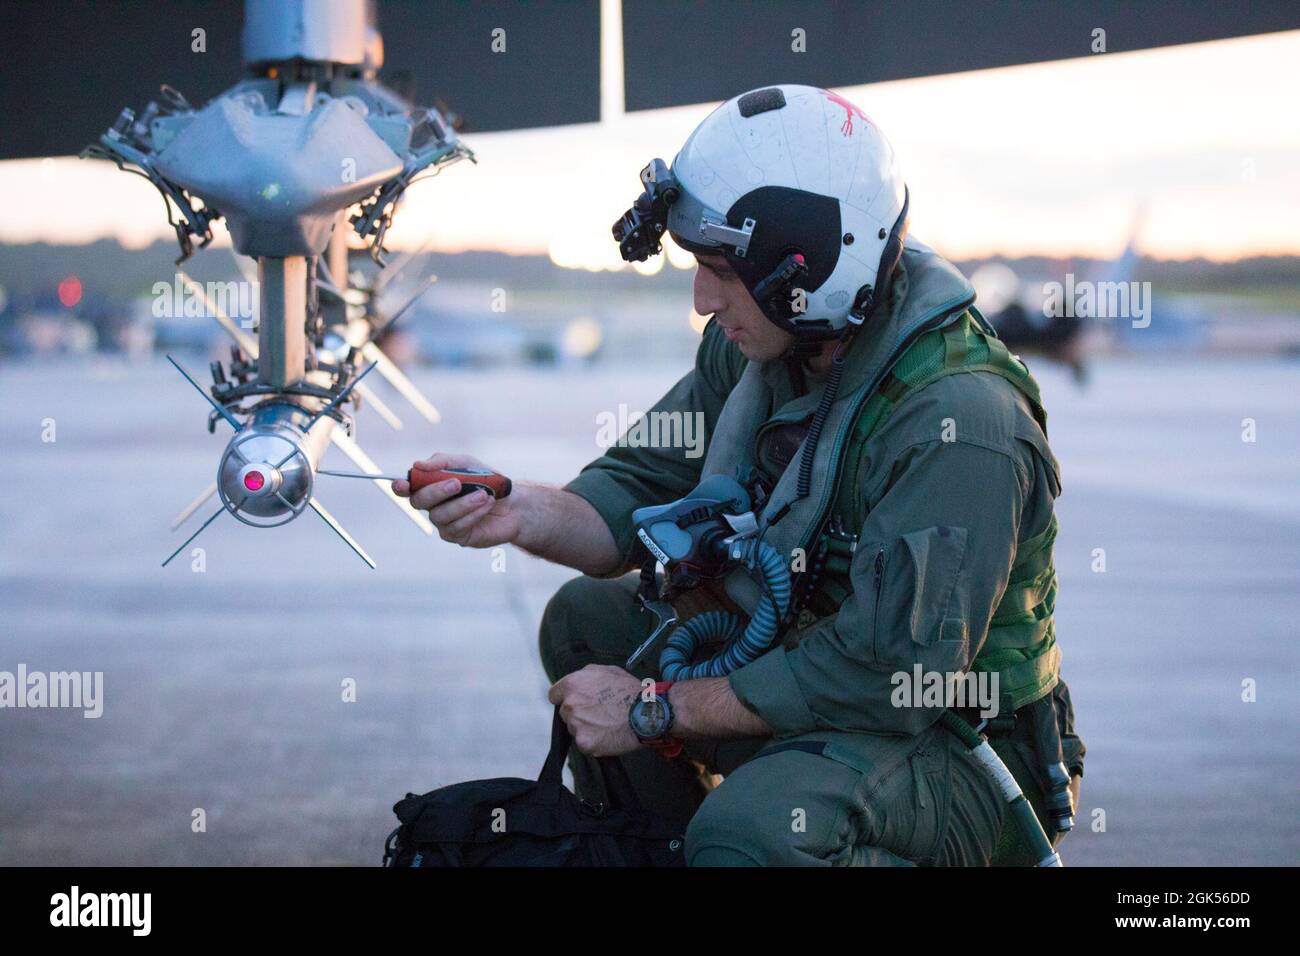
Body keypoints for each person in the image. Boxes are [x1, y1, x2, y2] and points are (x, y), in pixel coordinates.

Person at [395, 84, 1084, 866]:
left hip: (956, 744)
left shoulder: (959, 423)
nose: (701, 298)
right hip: (814, 676)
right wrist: (517, 508)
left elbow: (884, 675)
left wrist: (654, 711)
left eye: (719, 268)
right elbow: (636, 484)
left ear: (813, 267)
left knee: (753, 835)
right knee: (589, 620)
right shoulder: (766, 346)